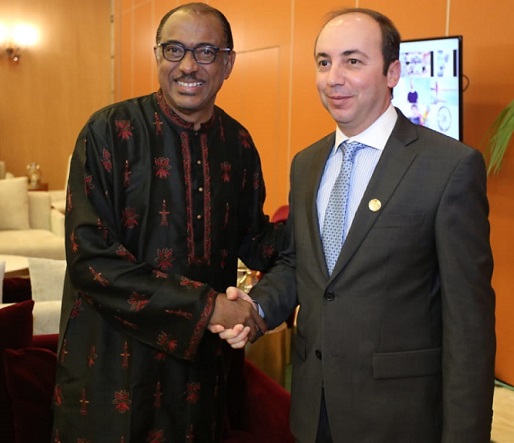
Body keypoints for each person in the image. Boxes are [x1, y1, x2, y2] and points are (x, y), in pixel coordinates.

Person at [215, 7, 496, 443]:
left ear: (392, 73)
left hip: (399, 420)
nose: (334, 78)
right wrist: (257, 309)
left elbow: (469, 325)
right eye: (324, 62)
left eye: (353, 61)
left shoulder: (449, 167)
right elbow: (300, 265)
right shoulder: (306, 164)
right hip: (313, 413)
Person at [52, 3, 284, 442]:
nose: (188, 66)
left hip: (198, 377)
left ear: (228, 63)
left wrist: (324, 228)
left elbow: (255, 239)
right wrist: (209, 307)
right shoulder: (108, 131)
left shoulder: (237, 143)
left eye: (206, 52)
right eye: (174, 50)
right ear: (157, 55)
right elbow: (91, 259)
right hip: (111, 367)